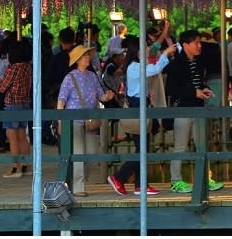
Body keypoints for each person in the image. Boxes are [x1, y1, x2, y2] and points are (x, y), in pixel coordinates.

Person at [107, 35, 175, 196]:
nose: (147, 49)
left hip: (140, 104)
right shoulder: (135, 67)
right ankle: (119, 177)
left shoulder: (134, 65)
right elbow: (156, 69)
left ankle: (140, 184)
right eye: (144, 47)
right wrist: (165, 54)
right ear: (137, 51)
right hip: (138, 106)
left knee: (142, 147)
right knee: (142, 148)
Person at [164, 29, 225, 194]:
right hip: (183, 108)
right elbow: (171, 89)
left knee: (202, 145)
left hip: (199, 107)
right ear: (185, 45)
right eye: (196, 42)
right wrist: (193, 92)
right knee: (180, 146)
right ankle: (176, 180)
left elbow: (199, 82)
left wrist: (204, 89)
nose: (199, 46)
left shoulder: (198, 62)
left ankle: (205, 178)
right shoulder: (176, 64)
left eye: (200, 42)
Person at [56, 45, 115, 196]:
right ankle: (78, 187)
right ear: (77, 60)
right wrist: (60, 120)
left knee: (90, 152)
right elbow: (61, 101)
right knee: (78, 153)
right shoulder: (70, 78)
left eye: (87, 55)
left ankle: (80, 181)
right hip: (73, 121)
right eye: (84, 56)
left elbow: (100, 96)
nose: (87, 58)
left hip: (90, 120)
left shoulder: (92, 76)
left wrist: (107, 97)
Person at [0, 40, 32, 178]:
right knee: (22, 136)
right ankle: (25, 165)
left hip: (12, 104)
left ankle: (15, 167)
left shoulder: (12, 69)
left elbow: (2, 88)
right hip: (25, 103)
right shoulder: (27, 67)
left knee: (12, 137)